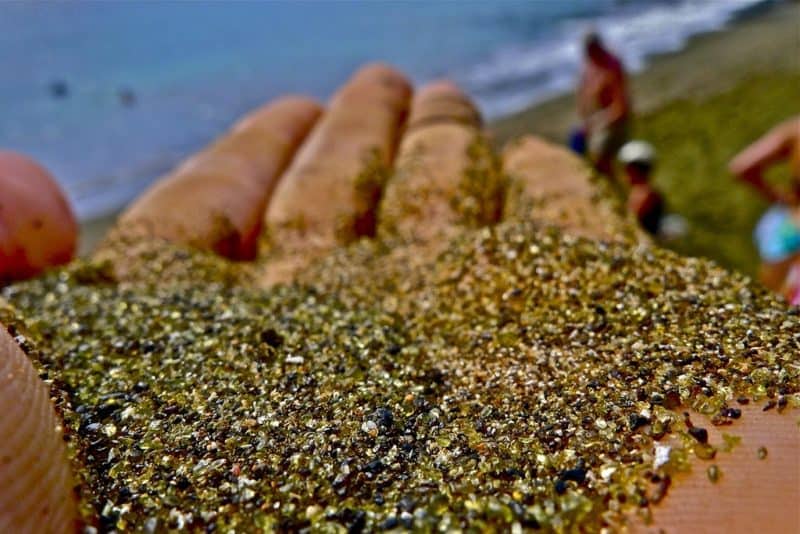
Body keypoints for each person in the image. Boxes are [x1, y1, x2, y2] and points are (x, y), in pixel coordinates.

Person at [729, 115, 800, 293]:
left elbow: (741, 167)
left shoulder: (795, 129)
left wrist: (780, 198)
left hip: (786, 225)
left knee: (772, 301)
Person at [576, 31, 631, 176]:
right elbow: (583, 96)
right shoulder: (590, 67)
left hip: (613, 119)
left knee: (598, 151)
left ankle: (610, 184)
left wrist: (598, 123)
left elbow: (620, 107)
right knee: (576, 140)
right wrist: (587, 121)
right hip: (598, 117)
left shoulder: (610, 67)